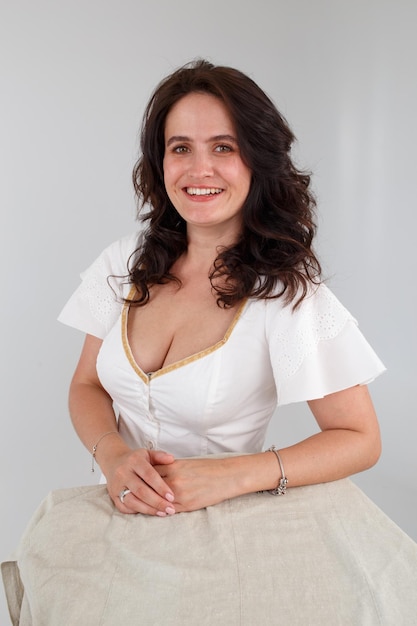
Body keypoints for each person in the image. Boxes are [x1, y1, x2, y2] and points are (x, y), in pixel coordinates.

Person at [2, 59, 417, 625]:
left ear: (258, 160)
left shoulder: (284, 295)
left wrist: (236, 473)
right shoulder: (122, 265)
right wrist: (115, 455)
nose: (200, 169)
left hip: (230, 534)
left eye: (224, 147)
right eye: (181, 148)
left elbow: (360, 438)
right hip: (118, 520)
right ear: (160, 161)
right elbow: (86, 384)